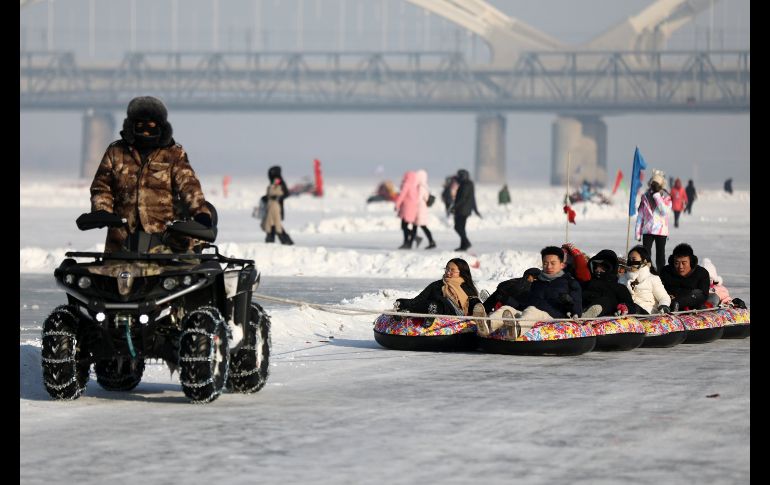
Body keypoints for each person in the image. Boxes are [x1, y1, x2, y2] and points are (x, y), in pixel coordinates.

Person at [89, 96, 212, 253]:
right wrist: (102, 211)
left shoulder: (173, 153)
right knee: (112, 275)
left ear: (160, 126)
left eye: (151, 125)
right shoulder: (116, 152)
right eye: (140, 125)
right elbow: (101, 186)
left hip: (164, 236)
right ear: (131, 126)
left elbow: (188, 184)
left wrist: (200, 212)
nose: (146, 130)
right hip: (122, 236)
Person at [394, 258, 485, 326]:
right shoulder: (436, 285)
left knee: (473, 301)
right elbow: (419, 299)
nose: (448, 272)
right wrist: (401, 302)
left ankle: (483, 315)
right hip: (439, 310)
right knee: (432, 303)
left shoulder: (466, 286)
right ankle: (408, 312)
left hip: (458, 313)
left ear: (461, 272)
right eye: (447, 269)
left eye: (452, 270)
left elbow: (471, 303)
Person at [580, 249, 636, 318]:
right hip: (581, 311)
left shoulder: (619, 288)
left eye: (603, 267)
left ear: (611, 268)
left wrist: (625, 307)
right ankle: (583, 313)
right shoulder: (585, 284)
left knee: (607, 301)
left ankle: (592, 311)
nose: (598, 270)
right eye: (595, 266)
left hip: (607, 316)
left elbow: (631, 306)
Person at [635, 170, 672, 272]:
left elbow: (664, 211)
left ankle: (661, 274)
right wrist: (637, 232)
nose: (654, 186)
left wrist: (657, 196)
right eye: (653, 184)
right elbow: (640, 216)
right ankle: (647, 272)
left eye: (656, 184)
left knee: (660, 255)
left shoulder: (666, 197)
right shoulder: (645, 196)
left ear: (661, 185)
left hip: (661, 231)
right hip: (648, 230)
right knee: (646, 254)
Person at [618, 246, 671, 314]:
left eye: (634, 259)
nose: (631, 262)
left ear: (644, 261)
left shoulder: (653, 279)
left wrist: (664, 306)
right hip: (628, 314)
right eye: (629, 260)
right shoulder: (623, 279)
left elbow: (663, 297)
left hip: (647, 314)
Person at [660, 243, 710, 310]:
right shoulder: (665, 271)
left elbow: (703, 295)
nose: (680, 267)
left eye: (684, 263)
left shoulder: (701, 273)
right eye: (677, 263)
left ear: (691, 262)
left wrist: (678, 301)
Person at [261, 165, 293, 245]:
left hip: (277, 207)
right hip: (270, 207)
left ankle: (285, 241)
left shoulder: (280, 182)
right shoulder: (272, 182)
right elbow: (270, 194)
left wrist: (278, 197)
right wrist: (266, 198)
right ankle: (272, 241)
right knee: (272, 224)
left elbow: (286, 193)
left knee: (276, 225)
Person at [450, 169, 481, 251]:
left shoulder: (465, 185)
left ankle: (466, 243)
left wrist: (454, 207)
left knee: (458, 227)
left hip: (462, 210)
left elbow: (462, 198)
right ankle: (463, 246)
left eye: (459, 176)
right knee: (461, 228)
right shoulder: (468, 184)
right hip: (465, 210)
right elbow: (472, 198)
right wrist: (475, 210)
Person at [394, 171, 420, 249]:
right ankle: (409, 243)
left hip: (406, 208)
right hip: (414, 208)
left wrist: (397, 204)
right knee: (409, 225)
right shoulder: (415, 185)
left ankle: (407, 242)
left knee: (404, 226)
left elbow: (402, 195)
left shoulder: (406, 184)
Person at [411, 169, 436, 249]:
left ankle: (431, 241)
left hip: (419, 209)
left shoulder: (420, 186)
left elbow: (418, 198)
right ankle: (412, 242)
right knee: (418, 226)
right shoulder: (425, 185)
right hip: (422, 208)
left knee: (421, 226)